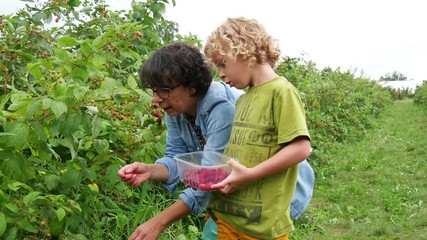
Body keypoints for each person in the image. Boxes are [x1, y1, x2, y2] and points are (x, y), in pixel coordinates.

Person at [118, 41, 313, 240]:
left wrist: (158, 222)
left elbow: (211, 179)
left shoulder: (222, 109)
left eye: (163, 90)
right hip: (234, 196)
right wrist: (149, 170)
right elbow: (177, 160)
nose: (156, 99)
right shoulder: (176, 109)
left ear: (192, 87)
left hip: (269, 194)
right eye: (154, 91)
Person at [203, 17, 312, 240]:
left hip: (262, 225)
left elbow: (301, 148)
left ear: (242, 50)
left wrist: (251, 175)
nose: (220, 74)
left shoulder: (281, 92)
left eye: (223, 64)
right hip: (229, 216)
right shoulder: (243, 99)